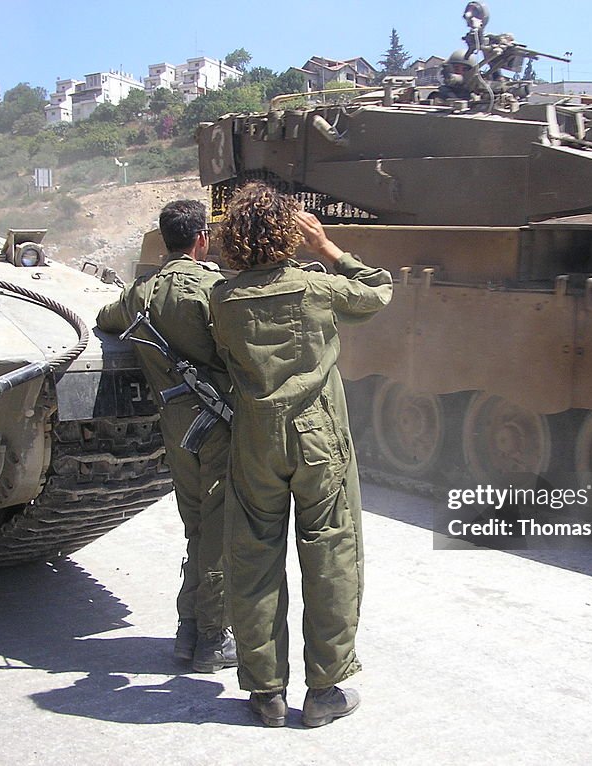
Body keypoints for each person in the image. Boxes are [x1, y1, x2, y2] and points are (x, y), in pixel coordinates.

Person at [209, 182, 392, 728]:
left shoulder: (222, 298)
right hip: (318, 438)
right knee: (331, 553)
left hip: (255, 439)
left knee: (254, 558)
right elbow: (378, 292)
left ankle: (265, 693)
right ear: (290, 232)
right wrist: (328, 249)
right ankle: (324, 691)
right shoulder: (317, 287)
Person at [96, 199, 236, 674]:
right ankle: (214, 635)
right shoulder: (212, 288)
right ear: (201, 239)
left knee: (197, 526)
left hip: (177, 426)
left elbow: (105, 317)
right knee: (218, 530)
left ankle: (190, 630)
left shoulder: (141, 294)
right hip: (218, 425)